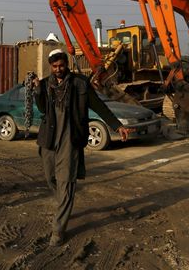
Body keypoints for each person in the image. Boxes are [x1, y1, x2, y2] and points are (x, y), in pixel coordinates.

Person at [33, 48, 120, 246]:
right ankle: (64, 202)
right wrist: (37, 90)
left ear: (67, 65)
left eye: (61, 65)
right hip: (49, 139)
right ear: (50, 66)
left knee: (66, 181)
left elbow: (99, 106)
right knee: (51, 177)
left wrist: (117, 125)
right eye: (54, 66)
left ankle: (58, 229)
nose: (58, 69)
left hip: (70, 140)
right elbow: (41, 108)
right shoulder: (46, 84)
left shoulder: (80, 83)